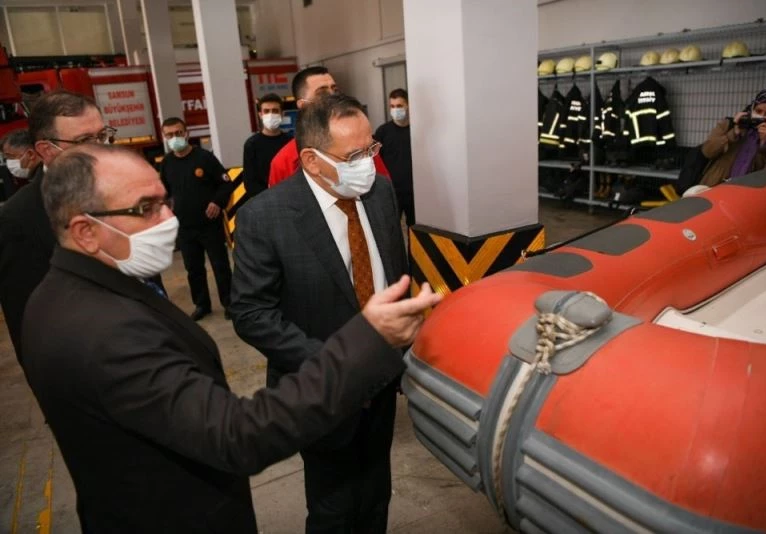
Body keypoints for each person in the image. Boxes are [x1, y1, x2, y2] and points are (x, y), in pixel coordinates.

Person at [22, 143, 441, 533]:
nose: (169, 220)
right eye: (145, 208)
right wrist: (367, 341)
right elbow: (236, 435)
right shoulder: (105, 331)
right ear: (85, 231)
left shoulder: (67, 291)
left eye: (166, 202)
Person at [230, 94, 406, 533]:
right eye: (354, 156)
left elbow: (391, 273)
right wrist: (335, 365)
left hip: (382, 376)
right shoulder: (264, 217)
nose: (368, 164)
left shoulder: (380, 193)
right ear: (311, 160)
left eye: (371, 149)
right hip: (319, 385)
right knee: (333, 507)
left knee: (375, 494)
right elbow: (251, 312)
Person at [0, 90, 114, 362]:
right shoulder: (18, 219)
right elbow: (29, 323)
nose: (99, 148)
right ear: (46, 150)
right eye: (84, 140)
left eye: (102, 136)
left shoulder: (121, 188)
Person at [268, 66, 391, 188]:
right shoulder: (284, 162)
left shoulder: (363, 147)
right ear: (303, 105)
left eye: (335, 90)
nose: (333, 97)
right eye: (322, 93)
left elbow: (383, 188)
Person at [160, 117, 234, 320]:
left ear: (186, 133)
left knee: (220, 266)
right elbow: (164, 192)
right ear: (164, 137)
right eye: (169, 135)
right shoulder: (167, 163)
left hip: (210, 225)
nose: (175, 138)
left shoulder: (204, 158)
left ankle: (229, 303)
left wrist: (217, 202)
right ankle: (202, 305)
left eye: (178, 133)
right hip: (184, 227)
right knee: (193, 269)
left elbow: (226, 184)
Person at [700, 88, 766, 187]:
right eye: (758, 111)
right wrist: (734, 132)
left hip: (747, 190)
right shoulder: (729, 125)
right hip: (716, 185)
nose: (762, 116)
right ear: (752, 108)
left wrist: (763, 143)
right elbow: (708, 151)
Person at [374, 88, 414, 226]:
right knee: (391, 227)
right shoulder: (383, 132)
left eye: (399, 106)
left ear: (408, 105)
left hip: (414, 191)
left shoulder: (416, 129)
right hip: (391, 191)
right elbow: (376, 161)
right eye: (392, 106)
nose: (395, 109)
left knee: (415, 230)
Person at [242, 93, 292, 199]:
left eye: (275, 111)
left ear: (282, 114)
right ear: (260, 114)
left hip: (290, 196)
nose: (271, 115)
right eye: (266, 111)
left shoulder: (291, 142)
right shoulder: (251, 145)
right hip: (264, 200)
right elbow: (250, 182)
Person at [2, 128, 41, 196]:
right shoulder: (35, 178)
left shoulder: (45, 181)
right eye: (6, 158)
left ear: (30, 154)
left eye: (11, 157)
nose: (9, 163)